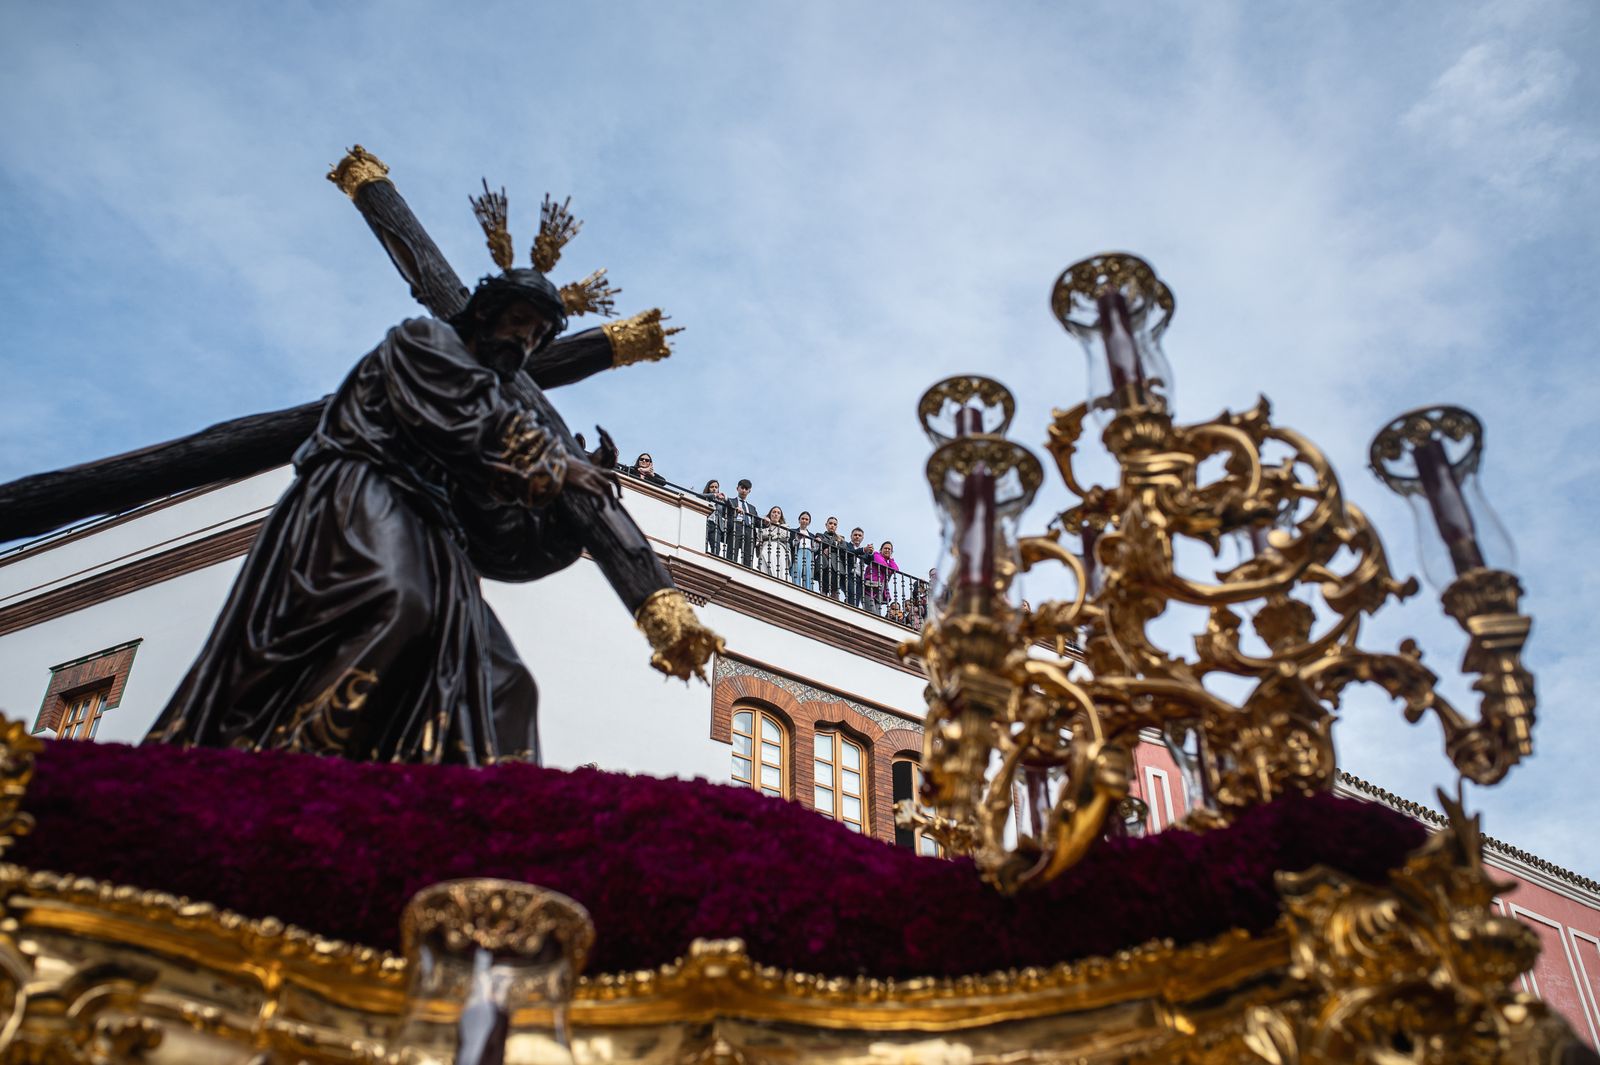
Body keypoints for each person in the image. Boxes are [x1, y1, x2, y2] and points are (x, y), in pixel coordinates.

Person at [816, 516, 847, 600]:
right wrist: (835, 544)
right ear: (826, 525)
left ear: (836, 527)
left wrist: (828, 545)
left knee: (835, 592)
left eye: (834, 524)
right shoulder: (820, 535)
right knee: (823, 591)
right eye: (830, 523)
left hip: (836, 567)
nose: (832, 525)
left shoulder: (841, 538)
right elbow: (818, 546)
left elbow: (844, 548)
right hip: (824, 565)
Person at [866, 540, 901, 616]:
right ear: (881, 550)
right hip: (869, 588)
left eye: (889, 549)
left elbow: (896, 570)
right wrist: (889, 569)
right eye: (885, 548)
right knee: (872, 613)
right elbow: (884, 567)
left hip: (879, 592)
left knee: (878, 615)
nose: (887, 550)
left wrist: (891, 559)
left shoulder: (888, 562)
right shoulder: (876, 555)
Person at [758, 505, 792, 580]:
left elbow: (785, 535)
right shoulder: (765, 527)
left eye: (778, 513)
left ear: (780, 516)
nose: (776, 514)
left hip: (779, 548)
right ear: (770, 514)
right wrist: (773, 534)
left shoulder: (785, 526)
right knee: (764, 554)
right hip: (766, 547)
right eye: (774, 512)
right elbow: (760, 535)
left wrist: (769, 535)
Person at [729, 479, 758, 567]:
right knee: (732, 552)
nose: (744, 490)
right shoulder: (731, 501)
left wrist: (766, 521)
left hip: (749, 529)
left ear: (749, 491)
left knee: (748, 555)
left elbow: (757, 522)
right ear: (737, 488)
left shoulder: (752, 508)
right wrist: (735, 509)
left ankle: (747, 571)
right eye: (742, 488)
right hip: (736, 526)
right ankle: (730, 566)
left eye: (746, 489)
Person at [844, 526, 870, 608]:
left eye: (859, 535)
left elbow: (869, 561)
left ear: (862, 538)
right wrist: (863, 550)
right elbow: (847, 553)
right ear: (851, 536)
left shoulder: (864, 551)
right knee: (851, 593)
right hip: (848, 574)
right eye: (855, 535)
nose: (857, 537)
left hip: (859, 577)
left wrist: (871, 553)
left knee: (857, 598)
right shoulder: (846, 545)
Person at [703, 479, 728, 558]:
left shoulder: (720, 500)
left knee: (716, 548)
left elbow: (729, 508)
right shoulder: (706, 497)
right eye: (712, 487)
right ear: (708, 488)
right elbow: (699, 495)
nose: (714, 488)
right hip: (706, 523)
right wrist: (713, 495)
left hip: (716, 525)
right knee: (703, 545)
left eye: (716, 487)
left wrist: (725, 499)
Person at [791, 511, 816, 590]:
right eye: (803, 519)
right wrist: (797, 539)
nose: (804, 521)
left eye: (806, 519)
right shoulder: (793, 531)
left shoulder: (812, 535)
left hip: (809, 553)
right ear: (799, 520)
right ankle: (796, 587)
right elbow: (790, 544)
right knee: (797, 569)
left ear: (809, 522)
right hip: (798, 551)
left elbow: (815, 548)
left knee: (808, 572)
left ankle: (808, 590)